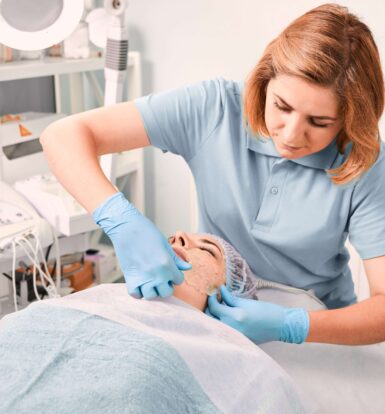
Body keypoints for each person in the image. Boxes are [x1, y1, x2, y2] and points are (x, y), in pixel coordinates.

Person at [40, 3, 385, 346]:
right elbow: (62, 137)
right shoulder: (214, 110)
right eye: (282, 106)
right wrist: (119, 218)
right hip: (218, 323)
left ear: (349, 120)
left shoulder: (363, 159)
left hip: (320, 328)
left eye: (319, 122)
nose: (292, 135)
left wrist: (293, 325)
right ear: (266, 80)